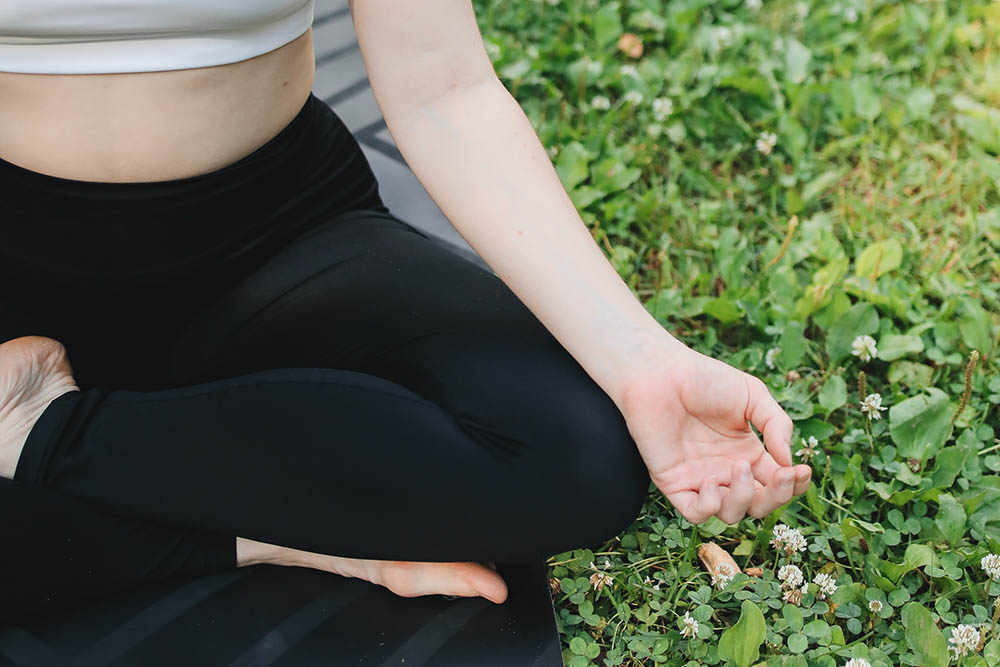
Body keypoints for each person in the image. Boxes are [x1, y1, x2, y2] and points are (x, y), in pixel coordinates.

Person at [0, 0, 813, 622]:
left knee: (572, 457)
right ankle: (275, 527)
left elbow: (444, 86)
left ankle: (43, 436)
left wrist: (643, 362)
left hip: (273, 232)